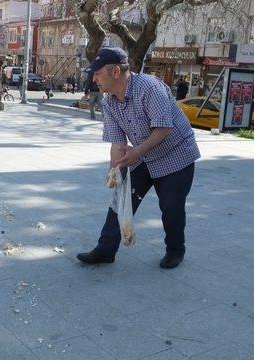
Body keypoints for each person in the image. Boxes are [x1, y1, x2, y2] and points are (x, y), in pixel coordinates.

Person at [76, 47, 200, 269]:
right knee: (120, 200)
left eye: (97, 73)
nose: (93, 79)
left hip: (176, 155)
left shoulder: (150, 88)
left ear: (115, 72)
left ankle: (175, 250)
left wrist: (137, 153)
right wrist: (114, 171)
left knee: (171, 207)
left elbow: (163, 129)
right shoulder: (109, 101)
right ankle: (105, 250)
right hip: (143, 154)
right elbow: (118, 143)